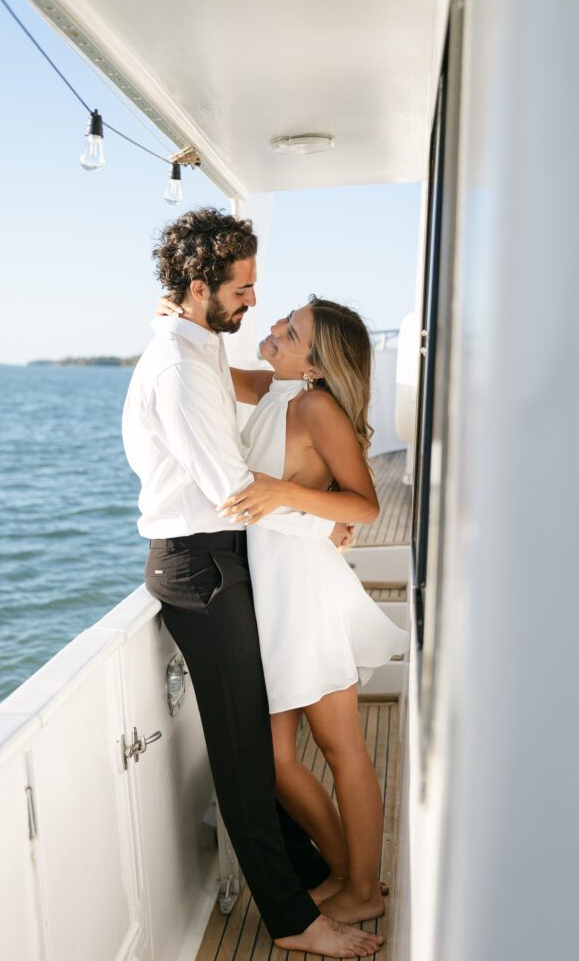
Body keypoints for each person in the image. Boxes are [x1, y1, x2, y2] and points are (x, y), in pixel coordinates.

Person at [122, 207, 382, 959]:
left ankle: (337, 880)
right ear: (202, 287)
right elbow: (237, 485)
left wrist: (323, 518)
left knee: (297, 749)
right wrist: (324, 523)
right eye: (245, 289)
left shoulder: (224, 360)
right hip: (218, 568)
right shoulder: (199, 366)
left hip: (260, 572)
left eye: (275, 309)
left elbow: (288, 464)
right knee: (256, 759)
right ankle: (311, 903)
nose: (257, 307)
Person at [159, 292, 409, 926]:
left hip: (302, 594)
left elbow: (364, 507)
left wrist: (283, 491)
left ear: (317, 363)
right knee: (276, 761)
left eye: (291, 330)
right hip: (266, 593)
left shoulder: (317, 405)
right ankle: (350, 878)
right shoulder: (275, 389)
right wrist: (179, 314)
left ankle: (363, 887)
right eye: (283, 320)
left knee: (342, 747)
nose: (272, 327)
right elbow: (208, 370)